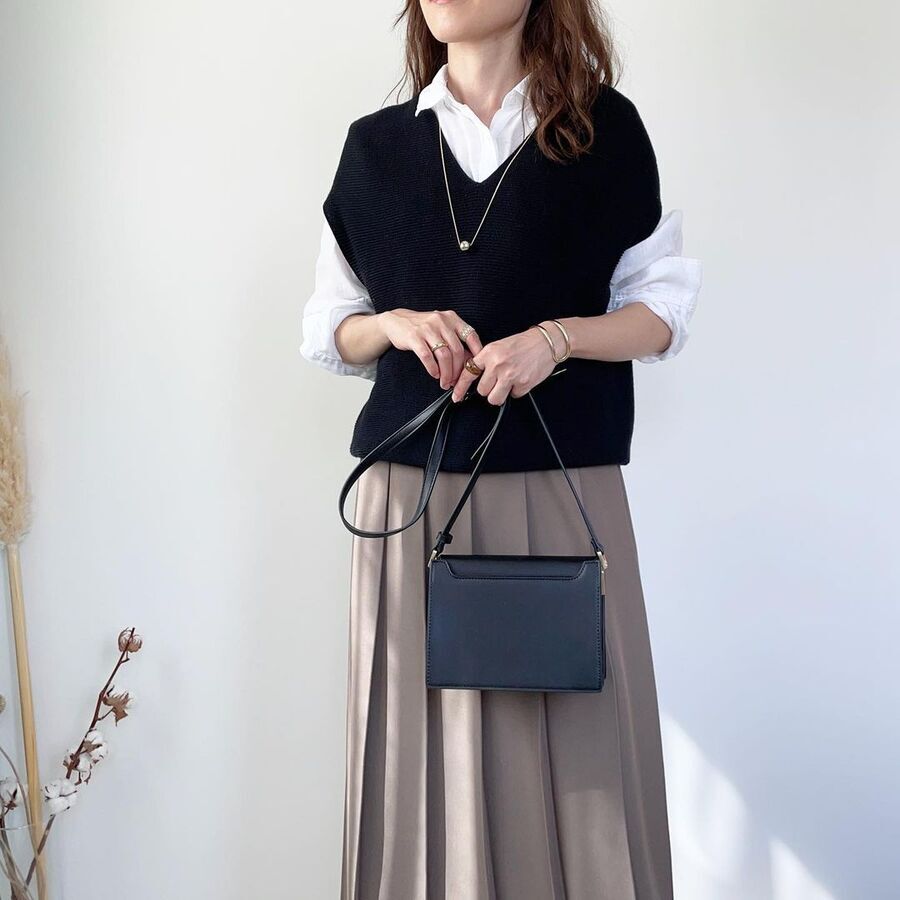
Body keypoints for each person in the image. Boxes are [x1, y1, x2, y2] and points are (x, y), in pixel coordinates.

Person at [301, 1, 702, 897]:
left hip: (562, 495)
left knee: (585, 770)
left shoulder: (602, 132)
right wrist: (395, 326)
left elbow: (662, 311)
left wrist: (555, 340)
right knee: (415, 768)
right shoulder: (375, 149)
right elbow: (331, 328)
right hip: (408, 503)